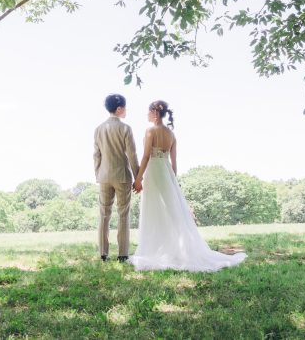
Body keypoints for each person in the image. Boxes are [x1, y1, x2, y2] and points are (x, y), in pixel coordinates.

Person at [129, 100, 247, 272]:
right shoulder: (171, 134)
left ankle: (155, 249)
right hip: (167, 172)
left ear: (155, 112)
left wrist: (138, 179)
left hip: (154, 171)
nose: (146, 114)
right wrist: (172, 180)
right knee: (172, 211)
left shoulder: (150, 131)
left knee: (154, 210)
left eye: (148, 111)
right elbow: (174, 161)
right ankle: (174, 248)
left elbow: (146, 156)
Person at [93, 93, 139, 262]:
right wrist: (138, 177)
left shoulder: (98, 129)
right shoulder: (125, 128)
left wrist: (98, 174)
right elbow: (132, 155)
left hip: (104, 176)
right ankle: (123, 254)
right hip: (122, 176)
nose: (126, 110)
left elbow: (96, 155)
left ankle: (103, 253)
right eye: (125, 107)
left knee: (104, 214)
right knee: (123, 214)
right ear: (119, 109)